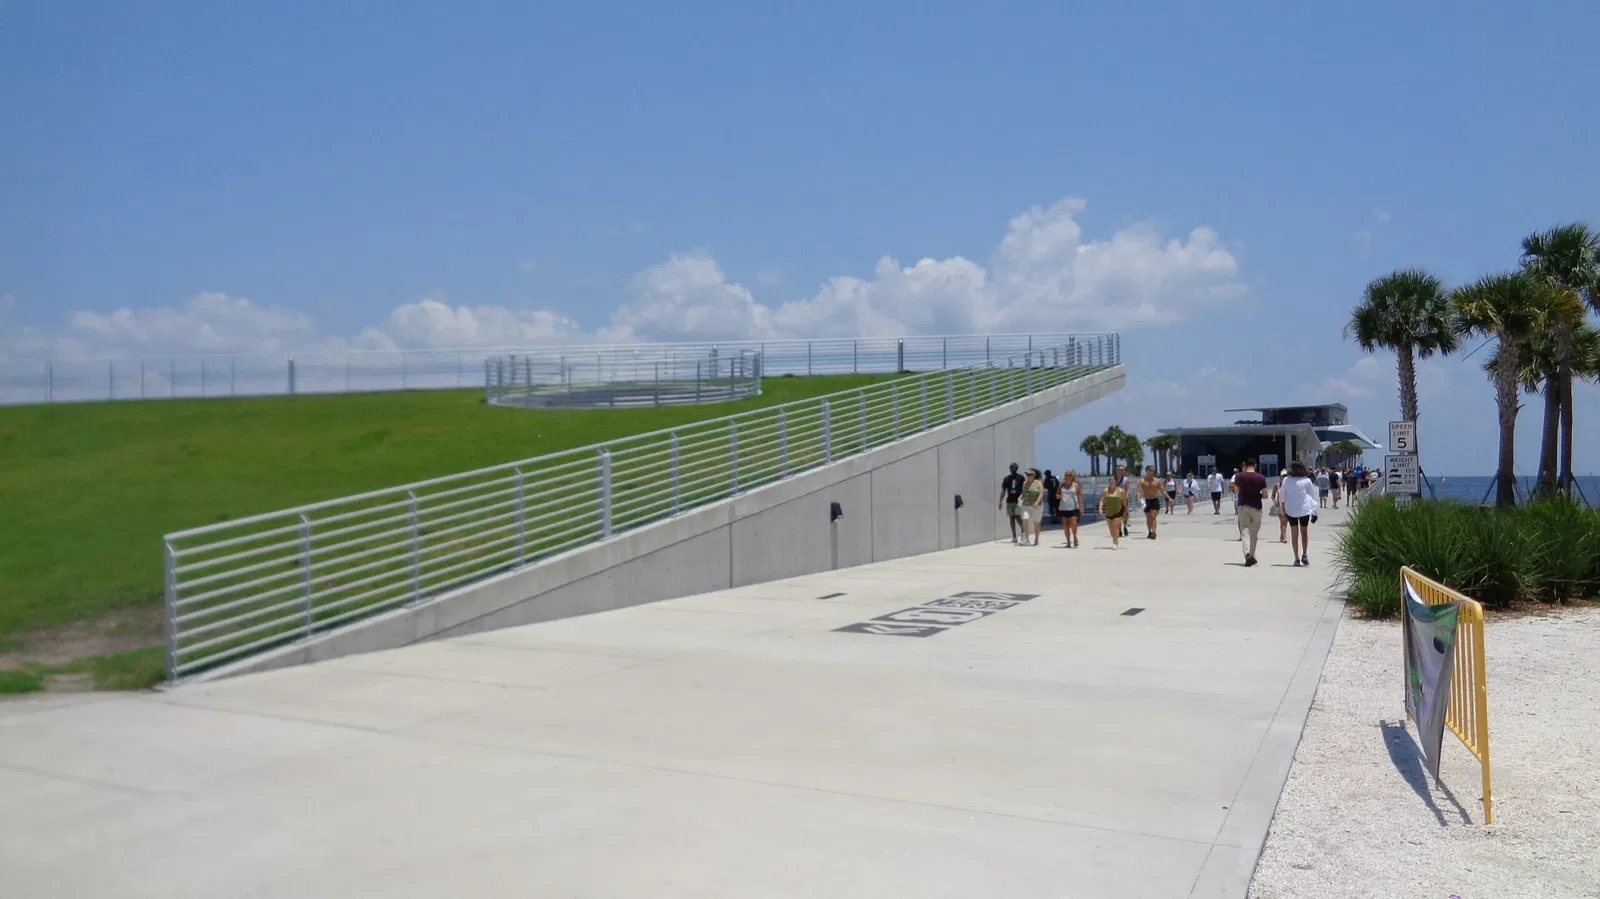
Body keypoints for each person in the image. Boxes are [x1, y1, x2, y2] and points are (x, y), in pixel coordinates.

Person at [1280, 461, 1320, 567]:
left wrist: (1283, 509)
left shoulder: (1286, 480)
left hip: (1291, 509)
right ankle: (1305, 554)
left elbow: (1282, 496)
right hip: (1304, 509)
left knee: (1294, 534)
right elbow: (1312, 496)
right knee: (1304, 533)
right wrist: (1314, 511)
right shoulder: (1306, 480)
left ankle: (1296, 558)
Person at [1233, 459, 1268, 567]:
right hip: (1256, 507)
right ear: (1255, 465)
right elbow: (1265, 495)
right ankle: (1252, 555)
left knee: (1245, 531)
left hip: (1243, 505)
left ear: (1245, 465)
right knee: (1254, 533)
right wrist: (1258, 495)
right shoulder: (1261, 478)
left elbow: (1236, 490)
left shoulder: (1239, 476)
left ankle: (1247, 553)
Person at [998, 462, 1025, 544]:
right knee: (1011, 518)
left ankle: (1023, 532)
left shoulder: (1021, 478)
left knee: (1018, 517)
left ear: (1017, 469)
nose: (1013, 469)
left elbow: (1024, 488)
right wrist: (1000, 501)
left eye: (1014, 468)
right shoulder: (1006, 478)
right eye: (1011, 468)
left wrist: (1023, 497)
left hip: (1018, 501)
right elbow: (1003, 491)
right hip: (1010, 501)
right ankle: (1014, 537)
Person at [1017, 469, 1046, 546]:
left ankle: (1036, 539)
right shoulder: (1024, 483)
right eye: (1027, 475)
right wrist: (1020, 497)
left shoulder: (1038, 483)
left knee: (1036, 523)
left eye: (1030, 475)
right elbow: (1023, 493)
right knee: (1025, 519)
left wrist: (1037, 502)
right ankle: (1026, 539)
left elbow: (1041, 493)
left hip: (1036, 506)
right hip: (1026, 505)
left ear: (1033, 476)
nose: (1028, 476)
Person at [1098, 477, 1127, 549]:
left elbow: (1123, 501)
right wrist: (1100, 509)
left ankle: (1114, 543)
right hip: (1109, 512)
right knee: (1111, 530)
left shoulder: (1120, 491)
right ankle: (1115, 539)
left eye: (1112, 480)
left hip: (1118, 511)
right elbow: (1102, 500)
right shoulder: (1105, 491)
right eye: (1109, 480)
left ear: (1116, 482)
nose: (1111, 481)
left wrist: (1126, 510)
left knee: (1115, 527)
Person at [1057, 470, 1083, 547]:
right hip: (1063, 507)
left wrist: (1081, 508)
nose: (1067, 477)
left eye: (1069, 475)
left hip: (1074, 508)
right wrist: (1058, 496)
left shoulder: (1076, 485)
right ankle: (1068, 542)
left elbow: (1080, 497)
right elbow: (1057, 494)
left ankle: (1075, 537)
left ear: (1072, 477)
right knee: (1065, 526)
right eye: (1066, 475)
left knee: (1073, 524)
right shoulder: (1062, 485)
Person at [1138, 466, 1165, 539]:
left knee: (1153, 517)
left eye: (1153, 470)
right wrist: (1139, 498)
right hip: (1146, 500)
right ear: (1146, 471)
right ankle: (1149, 531)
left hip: (1154, 500)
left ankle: (1154, 531)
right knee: (1148, 517)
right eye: (1150, 470)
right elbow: (1140, 491)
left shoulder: (1157, 481)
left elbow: (1163, 491)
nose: (1152, 472)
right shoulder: (1142, 481)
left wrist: (1169, 498)